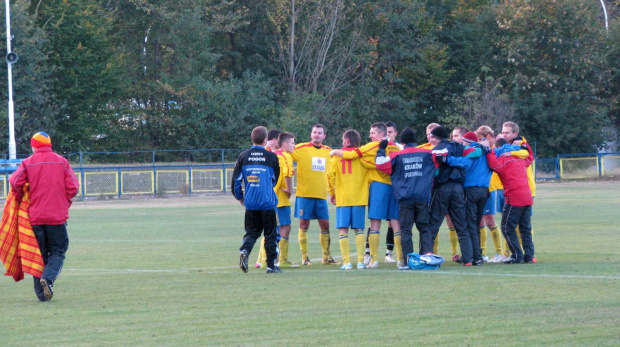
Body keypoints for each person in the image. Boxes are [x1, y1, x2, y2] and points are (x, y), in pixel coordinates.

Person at [9, 132, 79, 301]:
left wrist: (22, 198)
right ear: (49, 144)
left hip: (35, 217)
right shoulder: (61, 161)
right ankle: (47, 279)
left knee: (38, 256)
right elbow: (73, 188)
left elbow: (14, 182)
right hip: (57, 217)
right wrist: (63, 202)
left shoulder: (27, 162)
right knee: (58, 252)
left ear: (33, 146)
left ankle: (42, 296)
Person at [330, 122, 403, 268]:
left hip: (379, 185)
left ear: (381, 134)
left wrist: (335, 152)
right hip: (395, 185)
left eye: (373, 133)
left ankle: (374, 259)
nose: (370, 136)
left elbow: (352, 155)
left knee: (375, 222)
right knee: (395, 222)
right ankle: (401, 259)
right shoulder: (396, 147)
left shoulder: (372, 146)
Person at [375, 128, 436, 268]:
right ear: (415, 141)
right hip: (422, 198)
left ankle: (409, 261)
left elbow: (379, 163)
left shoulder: (396, 156)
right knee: (425, 228)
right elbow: (441, 158)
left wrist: (381, 148)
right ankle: (427, 257)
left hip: (405, 199)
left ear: (402, 142)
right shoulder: (428, 153)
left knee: (406, 231)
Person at [232, 126, 281, 274]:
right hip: (267, 202)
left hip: (251, 202)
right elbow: (274, 180)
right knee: (270, 234)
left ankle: (245, 250)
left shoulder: (243, 156)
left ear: (252, 138)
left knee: (252, 232)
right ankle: (271, 266)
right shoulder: (272, 157)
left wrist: (240, 197)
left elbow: (236, 181)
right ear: (265, 139)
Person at [428, 126, 477, 266]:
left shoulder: (438, 149)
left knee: (433, 223)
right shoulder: (460, 147)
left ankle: (426, 255)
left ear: (437, 137)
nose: (430, 139)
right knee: (462, 224)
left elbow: (433, 168)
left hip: (442, 187)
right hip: (458, 188)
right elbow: (471, 157)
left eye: (432, 137)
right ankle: (468, 259)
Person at [290, 124, 338, 265]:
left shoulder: (328, 151)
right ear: (311, 134)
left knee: (325, 225)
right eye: (314, 132)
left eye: (319, 133)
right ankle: (305, 257)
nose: (316, 135)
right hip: (305, 194)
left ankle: (326, 257)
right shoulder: (301, 148)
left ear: (324, 136)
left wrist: (332, 191)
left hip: (321, 195)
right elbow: (285, 152)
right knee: (304, 225)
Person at [440, 131, 488, 266]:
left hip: (470, 190)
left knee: (469, 224)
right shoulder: (485, 151)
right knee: (476, 223)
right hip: (484, 191)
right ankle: (476, 254)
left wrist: (446, 159)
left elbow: (464, 163)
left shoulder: (471, 151)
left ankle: (475, 257)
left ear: (466, 142)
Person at [484, 138, 535, 263]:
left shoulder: (502, 161)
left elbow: (492, 164)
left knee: (507, 228)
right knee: (525, 228)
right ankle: (529, 256)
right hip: (527, 197)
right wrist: (522, 146)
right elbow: (531, 156)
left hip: (514, 198)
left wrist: (488, 151)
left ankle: (517, 255)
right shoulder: (520, 159)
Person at [327, 130, 372, 270]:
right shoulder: (362, 156)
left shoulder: (336, 156)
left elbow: (330, 175)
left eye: (342, 139)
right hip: (359, 197)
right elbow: (371, 173)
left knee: (343, 230)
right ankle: (360, 261)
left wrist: (332, 193)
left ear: (346, 141)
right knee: (359, 229)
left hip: (343, 197)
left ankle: (346, 262)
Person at [475, 126, 507, 263]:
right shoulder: (481, 149)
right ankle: (482, 253)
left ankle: (499, 252)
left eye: (481, 138)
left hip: (492, 188)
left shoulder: (497, 149)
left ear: (488, 136)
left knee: (489, 220)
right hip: (480, 188)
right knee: (480, 221)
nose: (479, 141)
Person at [255, 129, 281, 268]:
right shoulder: (268, 155)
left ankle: (260, 260)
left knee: (267, 230)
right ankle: (267, 260)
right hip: (268, 199)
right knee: (270, 229)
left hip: (267, 197)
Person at [274, 132, 296, 266]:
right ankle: (282, 260)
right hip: (281, 198)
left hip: (269, 197)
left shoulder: (272, 155)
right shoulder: (286, 156)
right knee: (285, 226)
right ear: (285, 144)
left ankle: (266, 260)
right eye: (293, 143)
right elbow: (287, 173)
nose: (294, 145)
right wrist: (289, 189)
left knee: (271, 228)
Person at [382, 121, 403, 263]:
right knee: (375, 220)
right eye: (386, 132)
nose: (388, 135)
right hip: (382, 187)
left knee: (394, 221)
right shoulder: (379, 147)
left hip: (396, 187)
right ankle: (367, 252)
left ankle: (389, 253)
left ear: (395, 133)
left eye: (390, 132)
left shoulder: (400, 148)